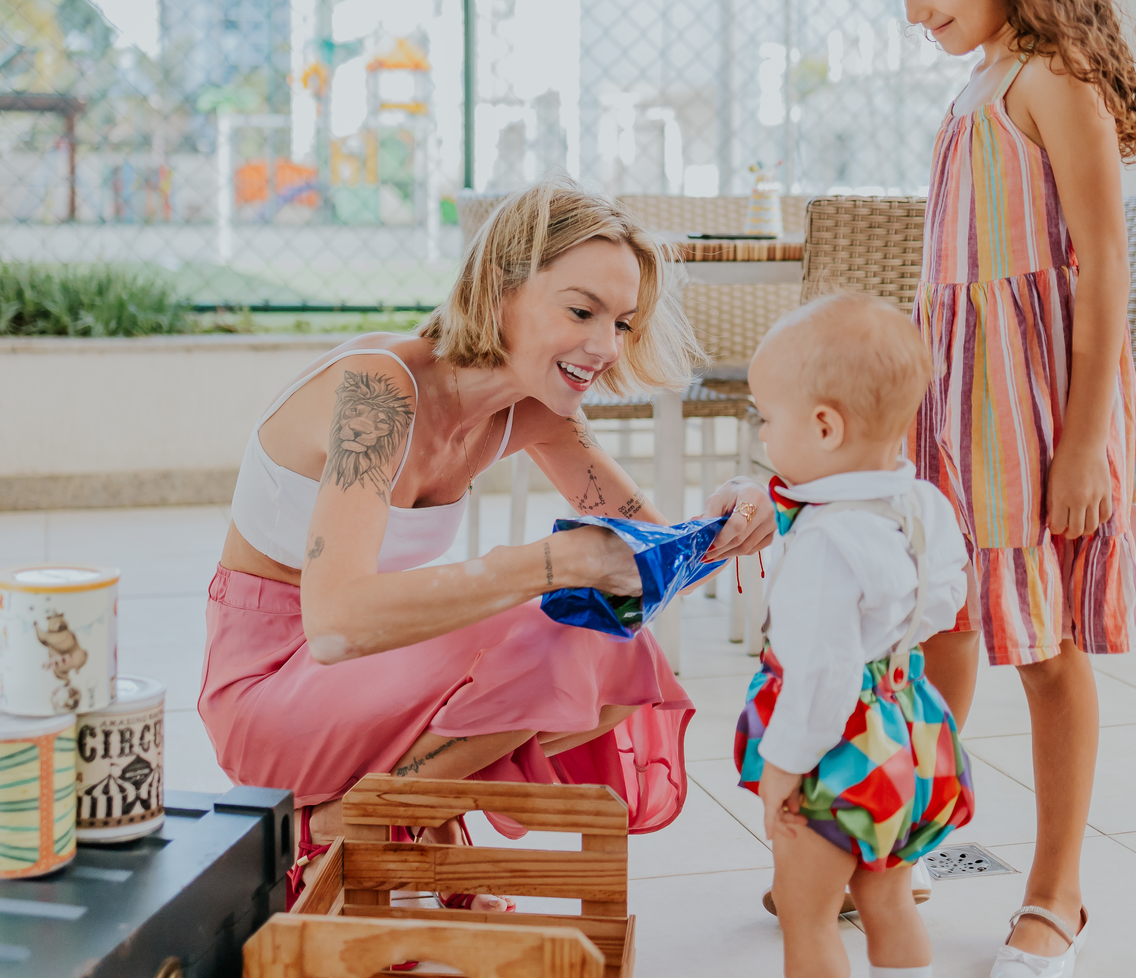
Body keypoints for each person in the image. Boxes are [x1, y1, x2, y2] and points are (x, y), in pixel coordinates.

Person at [199, 180, 775, 906]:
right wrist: (549, 564)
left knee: (618, 639)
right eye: (580, 310)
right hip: (269, 689)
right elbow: (334, 623)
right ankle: (345, 829)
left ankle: (370, 820)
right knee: (552, 627)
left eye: (623, 322)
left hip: (362, 677)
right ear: (498, 290)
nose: (604, 346)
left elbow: (651, 564)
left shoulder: (538, 414)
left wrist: (741, 514)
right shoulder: (377, 392)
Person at [868, 0, 1136, 978]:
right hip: (963, 412)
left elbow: (1103, 269)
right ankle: (910, 837)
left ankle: (1056, 892)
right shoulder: (982, 77)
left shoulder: (1054, 77)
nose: (915, 11)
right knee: (942, 626)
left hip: (1045, 415)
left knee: (1044, 651)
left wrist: (1088, 442)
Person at [735, 296, 973, 978]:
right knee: (891, 894)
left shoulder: (826, 546)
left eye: (768, 418)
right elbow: (942, 605)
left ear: (826, 428)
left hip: (837, 750)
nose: (764, 436)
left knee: (808, 911)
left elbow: (822, 679)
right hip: (911, 729)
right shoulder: (923, 504)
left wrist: (782, 769)